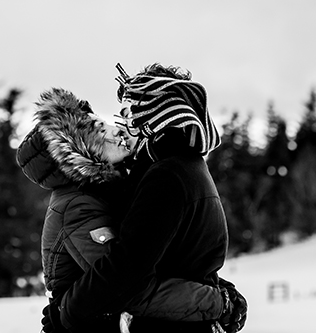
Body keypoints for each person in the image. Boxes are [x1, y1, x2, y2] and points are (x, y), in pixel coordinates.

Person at [44, 63, 247, 333]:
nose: (122, 126)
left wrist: (66, 312)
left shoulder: (166, 176)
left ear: (152, 116)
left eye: (129, 114)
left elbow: (126, 270)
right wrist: (220, 293)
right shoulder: (186, 166)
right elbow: (187, 261)